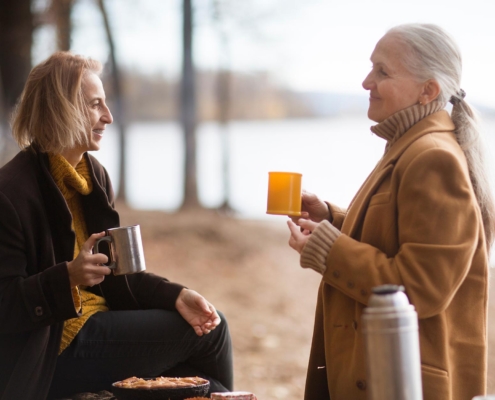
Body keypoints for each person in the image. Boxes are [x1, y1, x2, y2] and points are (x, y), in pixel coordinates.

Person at [0, 52, 233, 400]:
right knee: (215, 332)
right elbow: (5, 306)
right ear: (61, 109)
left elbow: (120, 275)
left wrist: (176, 295)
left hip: (101, 328)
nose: (108, 117)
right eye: (96, 105)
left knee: (203, 387)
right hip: (52, 351)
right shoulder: (11, 192)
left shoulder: (95, 177)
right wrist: (68, 278)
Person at [287, 23, 494, 400]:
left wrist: (327, 249)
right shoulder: (409, 146)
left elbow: (420, 286)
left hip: (405, 382)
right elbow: (401, 237)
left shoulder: (433, 158)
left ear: (427, 90)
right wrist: (332, 220)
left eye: (382, 71)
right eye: (371, 68)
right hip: (383, 371)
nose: (367, 82)